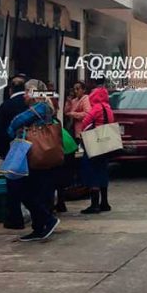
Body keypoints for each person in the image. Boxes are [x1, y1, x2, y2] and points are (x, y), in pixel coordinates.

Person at [8, 80, 60, 241]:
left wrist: (14, 129)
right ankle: (39, 227)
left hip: (36, 154)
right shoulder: (43, 106)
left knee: (24, 190)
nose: (24, 95)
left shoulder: (42, 107)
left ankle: (47, 220)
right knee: (35, 190)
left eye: (27, 92)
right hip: (36, 155)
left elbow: (15, 123)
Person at [0, 77, 29, 229]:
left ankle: (15, 219)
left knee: (14, 185)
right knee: (31, 184)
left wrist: (1, 152)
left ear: (10, 90)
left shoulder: (6, 106)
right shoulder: (32, 104)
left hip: (13, 151)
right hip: (33, 150)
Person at [78, 86, 115, 214]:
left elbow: (85, 123)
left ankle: (94, 204)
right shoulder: (108, 108)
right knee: (103, 171)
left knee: (92, 171)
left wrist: (82, 135)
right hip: (106, 142)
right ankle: (104, 202)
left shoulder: (96, 108)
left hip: (95, 142)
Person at [60, 81, 92, 212]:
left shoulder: (85, 99)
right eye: (75, 89)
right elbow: (66, 111)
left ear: (83, 90)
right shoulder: (74, 100)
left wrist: (74, 114)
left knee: (81, 158)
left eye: (78, 89)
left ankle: (83, 185)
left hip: (81, 133)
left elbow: (87, 113)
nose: (76, 91)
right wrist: (68, 101)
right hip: (73, 133)